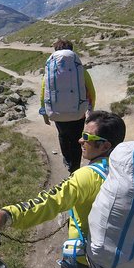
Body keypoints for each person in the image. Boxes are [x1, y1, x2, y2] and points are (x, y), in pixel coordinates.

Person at [0, 110, 126, 268]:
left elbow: (48, 202)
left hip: (87, 256)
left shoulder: (85, 177)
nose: (80, 140)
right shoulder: (126, 171)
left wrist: (9, 214)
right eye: (82, 134)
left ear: (105, 146)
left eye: (87, 138)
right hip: (118, 250)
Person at [41, 39, 96, 173]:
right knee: (77, 137)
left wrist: (44, 114)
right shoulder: (80, 70)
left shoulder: (50, 71)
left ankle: (67, 158)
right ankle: (75, 167)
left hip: (58, 114)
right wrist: (90, 109)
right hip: (78, 113)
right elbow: (91, 91)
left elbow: (44, 93)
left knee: (63, 135)